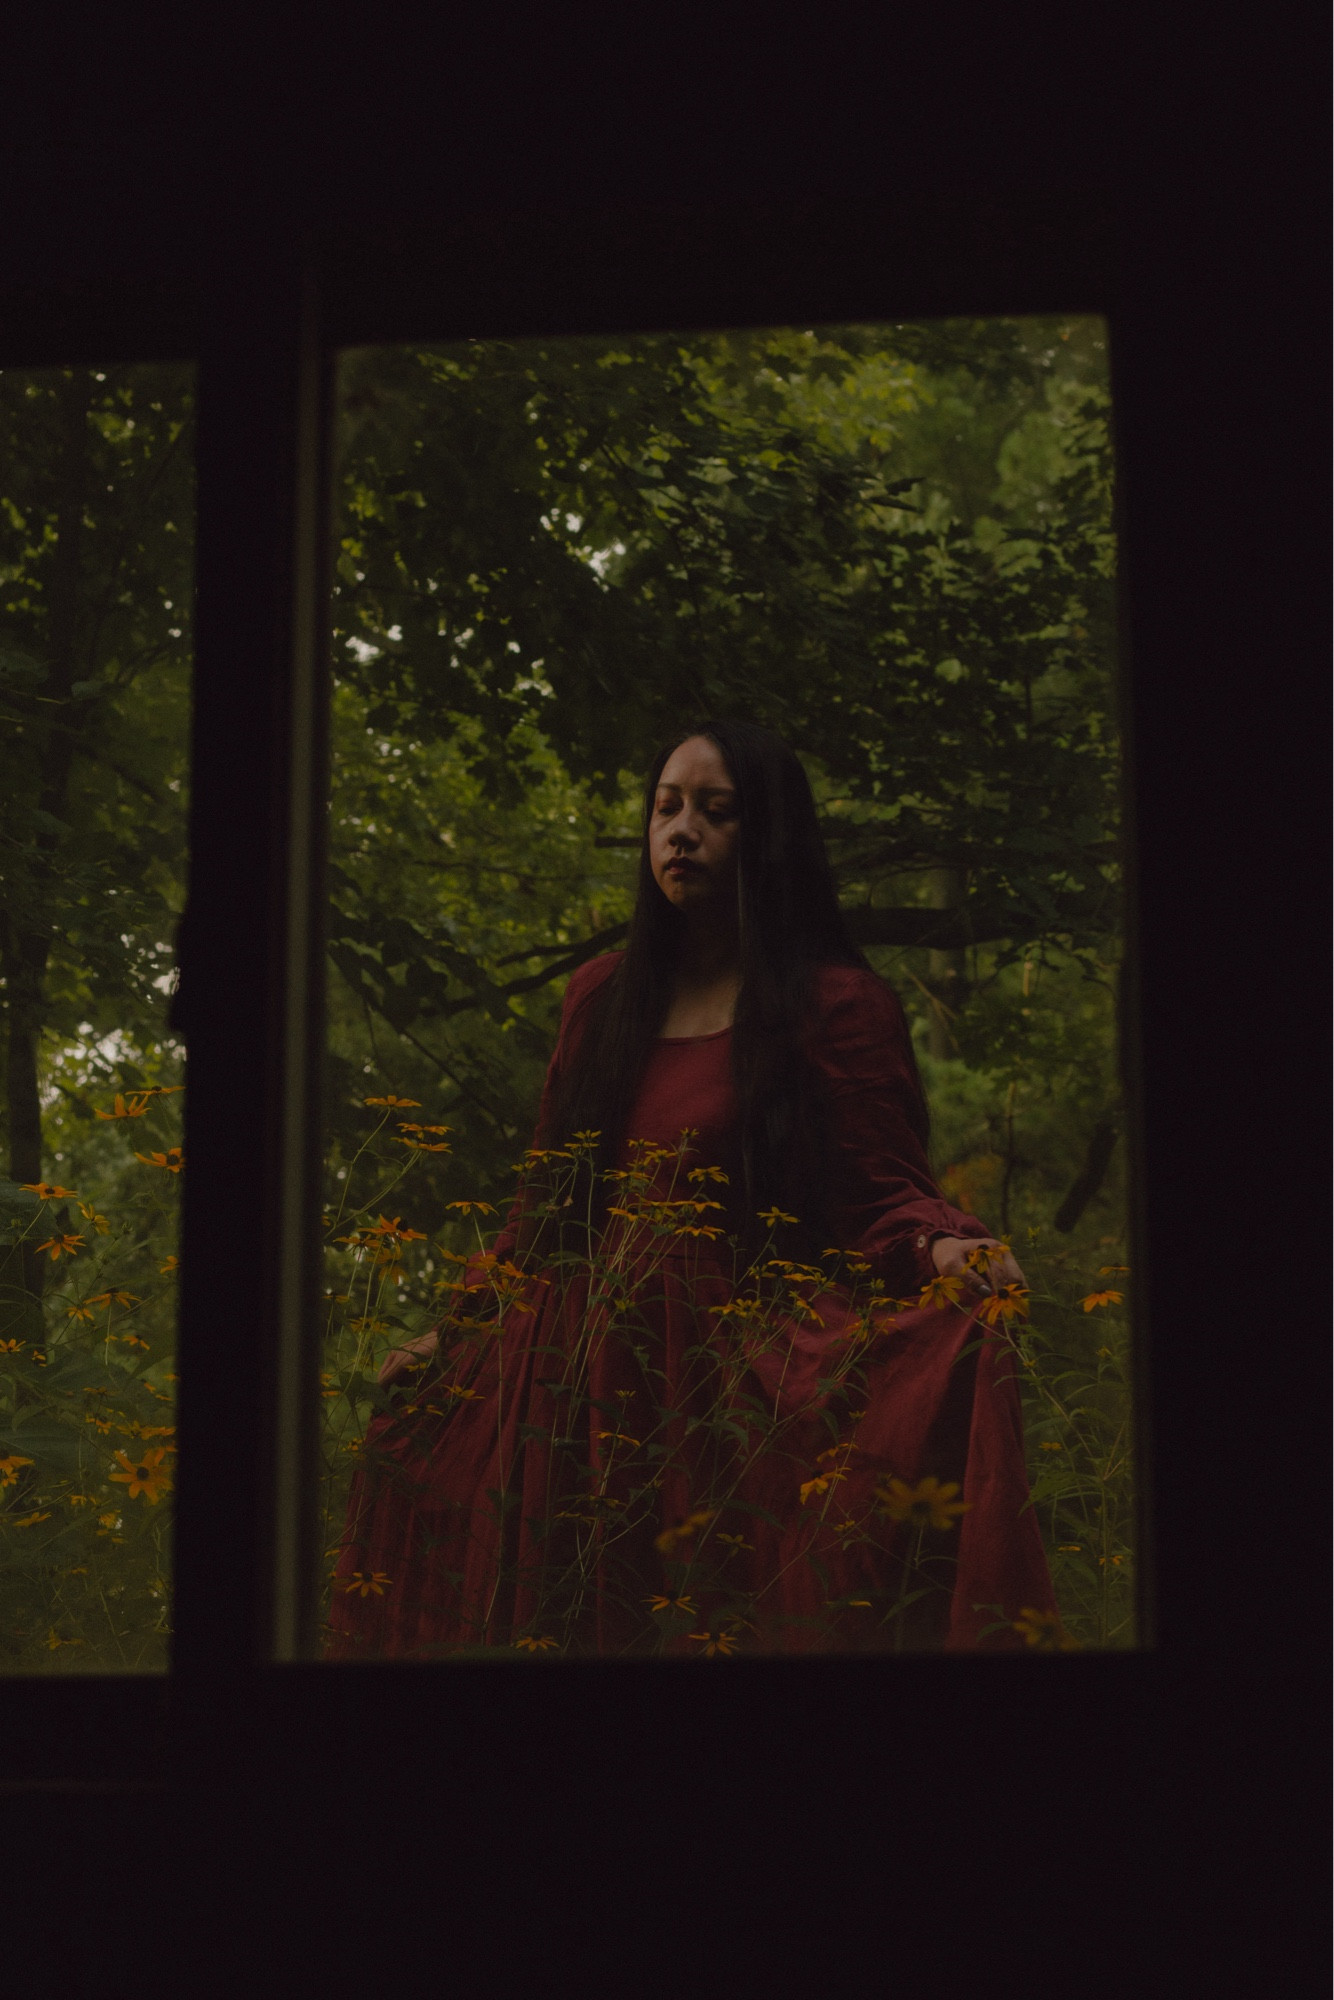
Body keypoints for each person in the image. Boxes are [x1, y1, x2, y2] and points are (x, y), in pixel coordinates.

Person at [327, 721, 1056, 1658]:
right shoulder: (600, 997)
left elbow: (880, 1190)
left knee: (706, 1615)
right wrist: (461, 1328)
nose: (681, 832)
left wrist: (942, 1245)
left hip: (719, 1376)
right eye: (666, 809)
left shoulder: (836, 1007)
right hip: (574, 1366)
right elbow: (550, 1202)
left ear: (769, 837)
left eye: (716, 813)